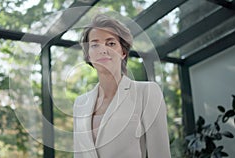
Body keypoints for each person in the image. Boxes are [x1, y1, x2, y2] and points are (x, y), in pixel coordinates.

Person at [73, 14, 171, 158]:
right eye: (95, 45)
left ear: (123, 52)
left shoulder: (147, 92)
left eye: (111, 43)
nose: (103, 50)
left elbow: (160, 153)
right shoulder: (80, 104)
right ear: (88, 55)